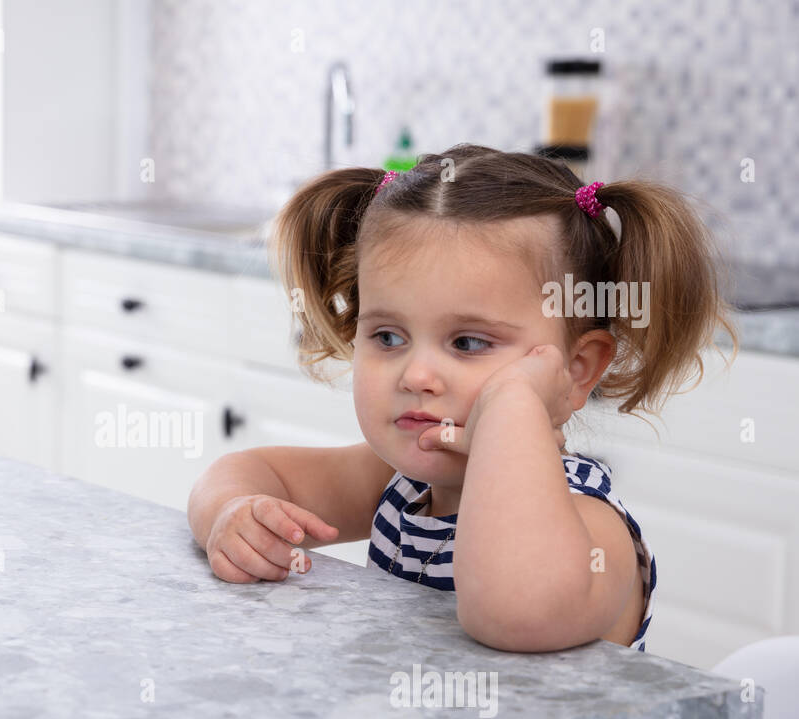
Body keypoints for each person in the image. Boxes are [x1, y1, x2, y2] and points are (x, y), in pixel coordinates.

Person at [187, 144, 740, 654]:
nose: (417, 373)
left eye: (469, 343)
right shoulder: (400, 484)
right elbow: (247, 470)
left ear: (576, 372)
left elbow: (515, 612)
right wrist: (233, 514)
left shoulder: (592, 527)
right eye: (387, 337)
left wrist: (512, 410)